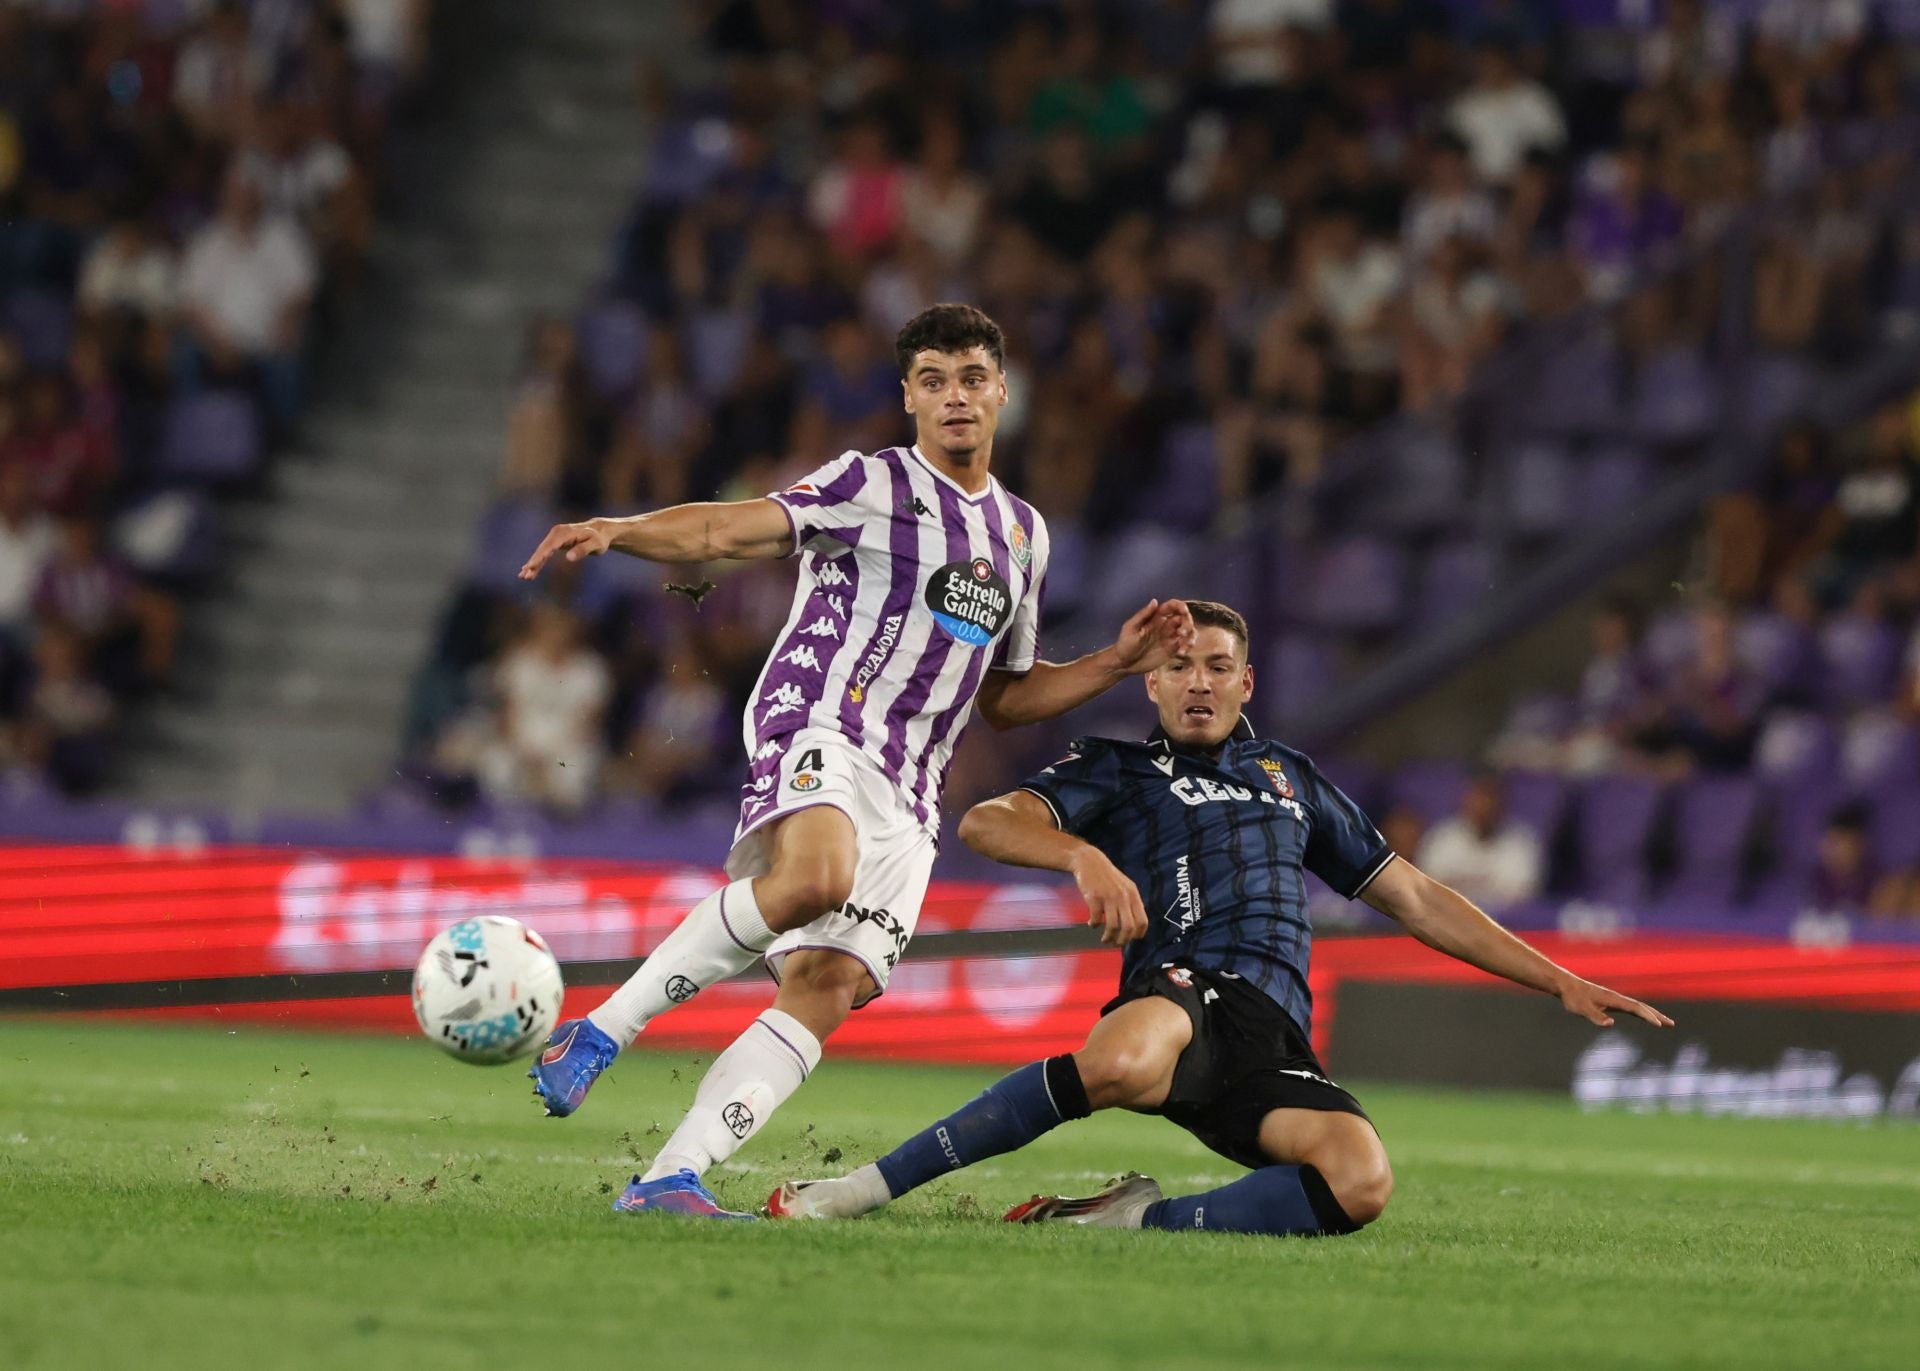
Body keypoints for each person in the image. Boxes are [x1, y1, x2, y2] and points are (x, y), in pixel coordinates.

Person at [516, 303, 1195, 1217]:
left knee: (827, 985)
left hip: (912, 789)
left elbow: (1004, 695)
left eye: (970, 379)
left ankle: (666, 1179)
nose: (954, 397)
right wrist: (622, 528)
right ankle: (596, 1033)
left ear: (1001, 391)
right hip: (824, 719)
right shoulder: (871, 484)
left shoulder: (1024, 537)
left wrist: (1116, 663)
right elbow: (727, 532)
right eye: (932, 381)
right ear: (909, 397)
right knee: (814, 879)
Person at [767, 601, 1670, 1236]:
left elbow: (1417, 897)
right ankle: (858, 1189)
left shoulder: (1294, 779)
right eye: (1176, 665)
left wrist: (1556, 975)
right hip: (1181, 989)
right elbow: (985, 820)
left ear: (1247, 681)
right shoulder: (1118, 769)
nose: (1196, 682)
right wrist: (1082, 853)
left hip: (1271, 1034)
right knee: (1119, 1058)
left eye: (1215, 666)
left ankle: (1135, 1220)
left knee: (1360, 1182)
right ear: (1151, 683)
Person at [1414, 768, 1545, 911]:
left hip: (1501, 926)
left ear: (1502, 802)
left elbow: (1521, 899)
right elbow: (1427, 891)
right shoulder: (1442, 838)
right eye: (1477, 797)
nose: (1484, 806)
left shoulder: (1521, 842)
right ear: (1465, 799)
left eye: (1489, 797)